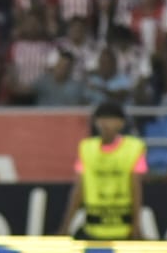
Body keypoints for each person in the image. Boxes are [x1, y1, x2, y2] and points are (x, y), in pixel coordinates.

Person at [56, 101, 146, 240]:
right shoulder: (86, 148)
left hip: (123, 228)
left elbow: (136, 188)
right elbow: (79, 189)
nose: (105, 123)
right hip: (93, 228)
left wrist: (136, 226)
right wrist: (65, 227)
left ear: (121, 123)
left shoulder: (134, 148)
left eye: (111, 119)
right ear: (95, 122)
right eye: (102, 118)